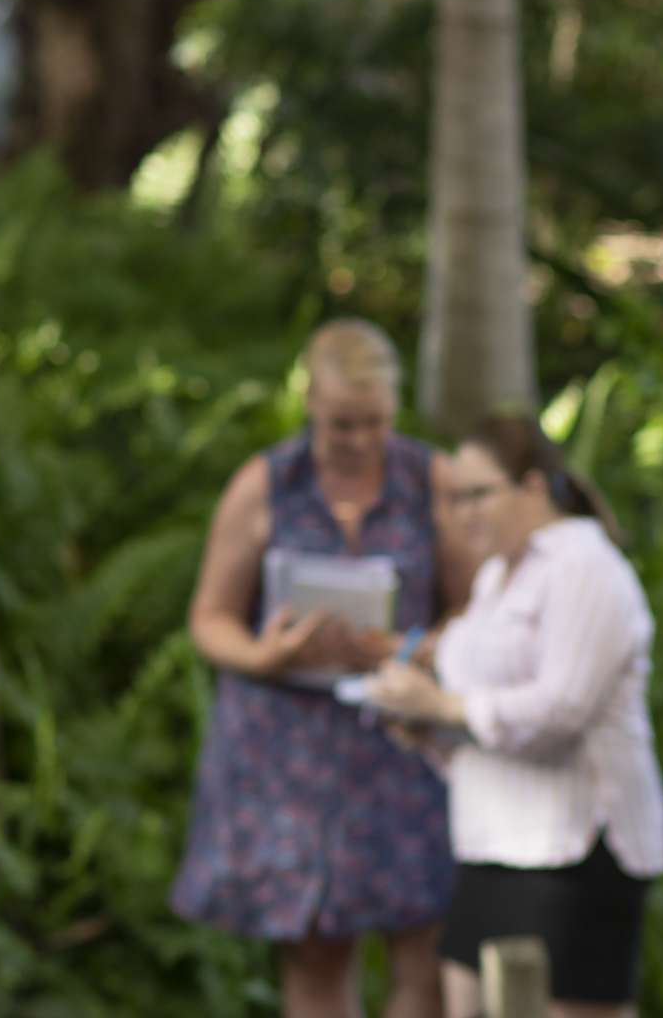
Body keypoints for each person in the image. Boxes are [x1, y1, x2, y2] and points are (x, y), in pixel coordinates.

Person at [171, 319, 452, 1018]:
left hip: (403, 745)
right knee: (317, 950)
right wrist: (268, 655)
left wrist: (409, 646)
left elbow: (483, 614)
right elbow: (210, 618)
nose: (357, 440)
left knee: (427, 953)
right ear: (310, 409)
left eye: (374, 423)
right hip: (290, 753)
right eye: (340, 425)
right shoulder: (266, 484)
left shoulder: (431, 480)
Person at [362, 414, 663, 1018]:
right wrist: (424, 727)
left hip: (573, 850)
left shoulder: (585, 564)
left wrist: (440, 705)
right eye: (452, 499)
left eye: (477, 494)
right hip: (490, 841)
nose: (461, 514)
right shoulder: (496, 576)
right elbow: (482, 721)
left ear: (532, 487)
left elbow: (561, 709)